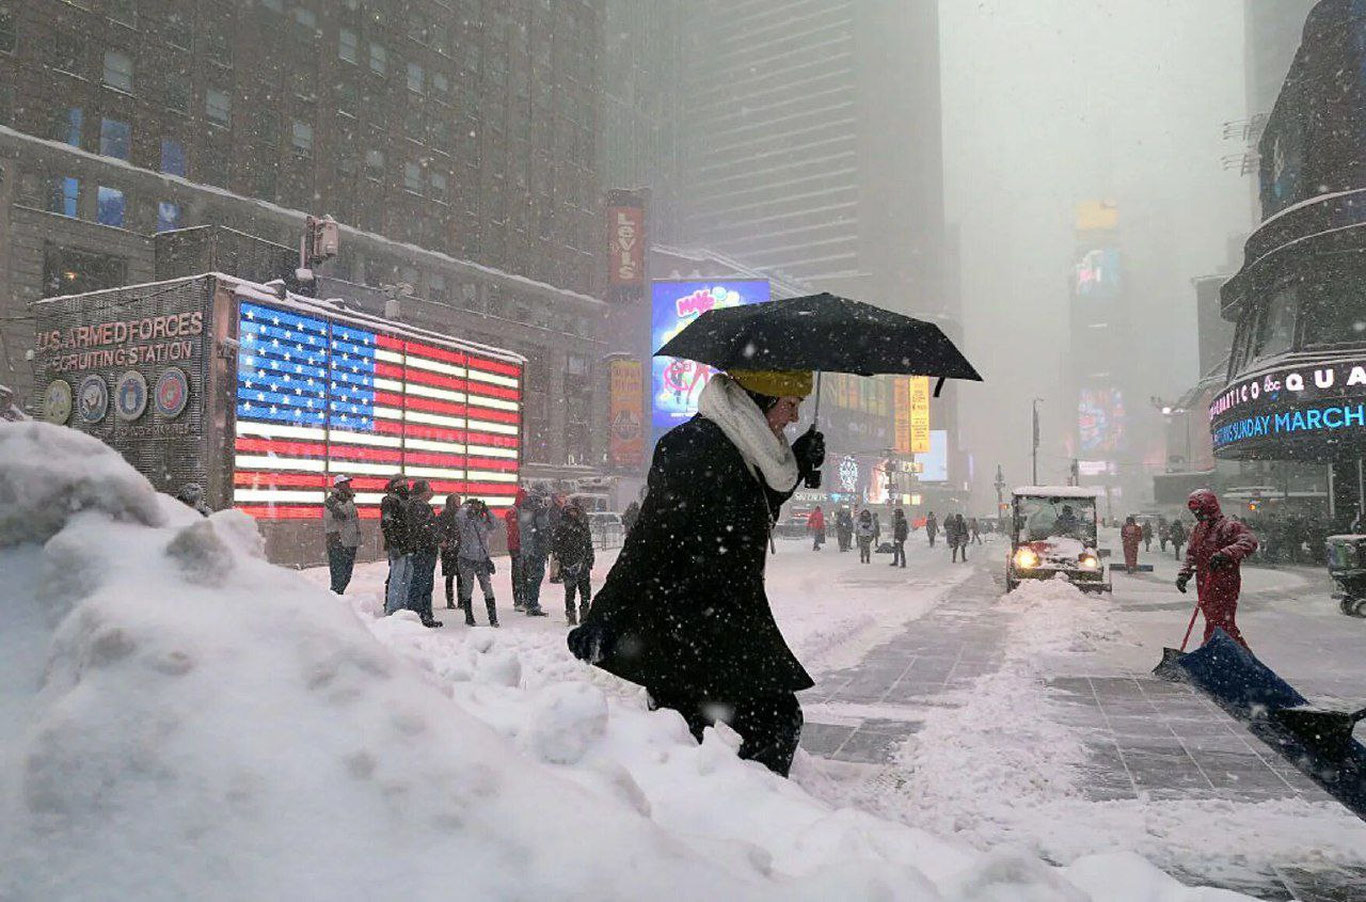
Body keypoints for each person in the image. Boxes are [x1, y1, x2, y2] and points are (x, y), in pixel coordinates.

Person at [567, 368, 825, 777]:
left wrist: (796, 464)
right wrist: (604, 616)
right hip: (688, 627)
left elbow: (741, 515)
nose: (793, 416)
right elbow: (649, 540)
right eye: (789, 404)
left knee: (702, 739)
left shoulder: (744, 446)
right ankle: (728, 820)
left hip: (722, 623)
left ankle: (714, 818)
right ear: (760, 400)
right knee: (764, 723)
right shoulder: (697, 448)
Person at [1177, 490, 1258, 650]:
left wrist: (1225, 555)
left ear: (1209, 508)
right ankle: (1214, 653)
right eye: (1194, 512)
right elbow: (1192, 554)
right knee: (1213, 621)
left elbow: (1249, 541)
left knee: (1222, 623)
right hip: (1205, 582)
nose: (1197, 515)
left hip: (1224, 582)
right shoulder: (1198, 530)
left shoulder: (1229, 526)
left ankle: (1228, 655)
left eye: (1199, 511)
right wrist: (1185, 573)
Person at [404, 480, 443, 628]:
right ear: (423, 491)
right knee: (421, 584)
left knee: (423, 583)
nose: (432, 492)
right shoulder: (419, 506)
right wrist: (438, 538)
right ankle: (420, 615)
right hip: (424, 550)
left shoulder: (414, 505)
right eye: (430, 489)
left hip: (422, 548)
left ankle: (423, 615)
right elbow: (425, 528)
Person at [456, 498, 499, 627]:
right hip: (467, 559)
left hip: (482, 560)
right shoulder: (465, 522)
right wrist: (466, 506)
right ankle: (469, 617)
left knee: (488, 589)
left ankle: (493, 618)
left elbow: (495, 524)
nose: (477, 508)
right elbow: (458, 517)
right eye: (475, 506)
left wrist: (488, 511)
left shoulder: (483, 522)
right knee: (468, 588)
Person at [553, 501, 595, 625]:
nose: (573, 514)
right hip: (569, 563)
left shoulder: (582, 525)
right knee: (571, 592)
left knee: (585, 591)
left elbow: (588, 543)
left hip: (582, 562)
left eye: (575, 511)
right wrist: (563, 559)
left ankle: (584, 614)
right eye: (571, 511)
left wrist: (590, 558)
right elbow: (557, 546)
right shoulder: (562, 527)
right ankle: (571, 615)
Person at [323, 475, 362, 594]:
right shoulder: (332, 501)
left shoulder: (346, 500)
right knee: (339, 576)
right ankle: (334, 600)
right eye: (345, 483)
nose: (348, 486)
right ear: (338, 485)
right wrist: (347, 501)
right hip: (338, 542)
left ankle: (338, 598)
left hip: (349, 541)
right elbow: (342, 515)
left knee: (346, 575)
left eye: (348, 483)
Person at [380, 475, 412, 616]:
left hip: (408, 544)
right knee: (397, 578)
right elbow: (387, 524)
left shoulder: (406, 501)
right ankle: (392, 609)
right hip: (398, 544)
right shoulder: (390, 501)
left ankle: (402, 608)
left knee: (406, 578)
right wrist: (394, 543)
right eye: (402, 482)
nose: (405, 485)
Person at [519, 490, 553, 616]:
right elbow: (543, 528)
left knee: (529, 576)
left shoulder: (524, 512)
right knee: (537, 576)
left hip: (527, 549)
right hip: (537, 548)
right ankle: (533, 604)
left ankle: (528, 601)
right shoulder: (539, 512)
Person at [437, 493, 464, 611]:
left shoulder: (460, 514)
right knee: (451, 575)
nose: (459, 502)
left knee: (459, 575)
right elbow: (441, 529)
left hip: (458, 547)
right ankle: (451, 600)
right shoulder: (446, 515)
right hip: (450, 547)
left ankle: (459, 600)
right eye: (457, 500)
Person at [505, 490, 526, 612]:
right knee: (519, 573)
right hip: (517, 546)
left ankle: (519, 599)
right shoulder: (515, 513)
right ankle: (519, 599)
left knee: (519, 573)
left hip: (517, 546)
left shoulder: (514, 512)